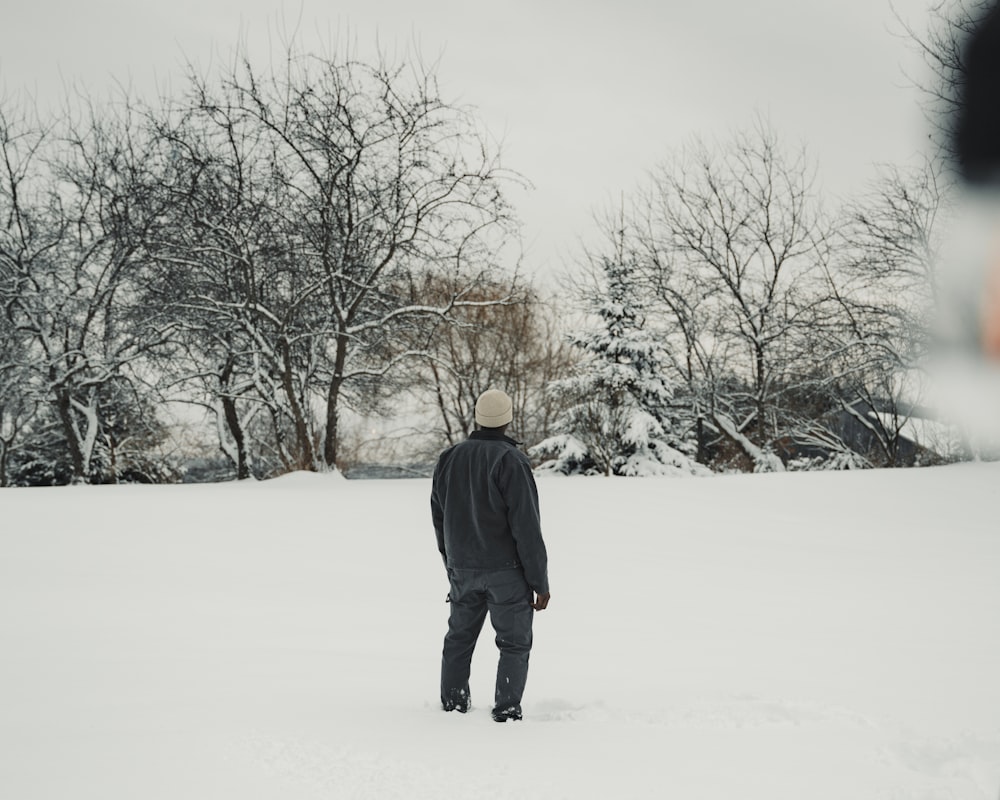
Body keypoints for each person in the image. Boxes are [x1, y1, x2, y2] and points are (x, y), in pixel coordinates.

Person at [430, 388, 550, 723]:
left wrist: (451, 564)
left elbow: (440, 519)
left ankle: (453, 706)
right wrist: (539, 581)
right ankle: (507, 710)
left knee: (459, 640)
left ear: (477, 417)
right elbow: (526, 527)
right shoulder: (511, 461)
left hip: (462, 569)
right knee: (513, 644)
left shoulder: (448, 458)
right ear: (508, 418)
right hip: (506, 573)